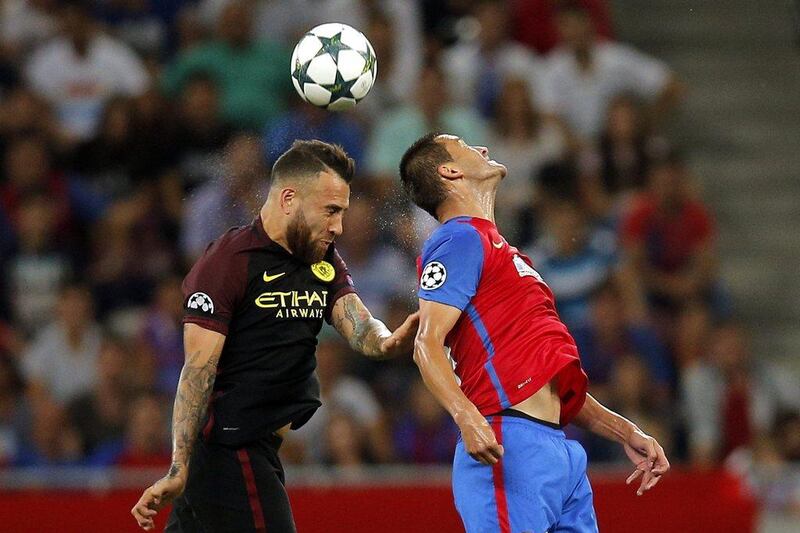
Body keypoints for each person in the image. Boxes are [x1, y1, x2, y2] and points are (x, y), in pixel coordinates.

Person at [131, 140, 418, 532]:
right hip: (231, 448)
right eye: (330, 211)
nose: (339, 226)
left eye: (343, 213)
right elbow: (196, 372)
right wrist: (179, 466)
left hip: (257, 448)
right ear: (288, 198)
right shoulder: (227, 263)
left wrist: (389, 340)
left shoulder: (321, 258)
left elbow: (357, 321)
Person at [399, 133, 669, 532]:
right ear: (449, 171)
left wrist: (624, 430)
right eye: (466, 146)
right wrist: (467, 418)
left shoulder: (507, 254)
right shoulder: (458, 238)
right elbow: (427, 343)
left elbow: (547, 376)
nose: (484, 149)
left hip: (559, 452)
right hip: (507, 443)